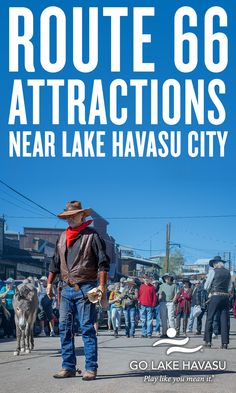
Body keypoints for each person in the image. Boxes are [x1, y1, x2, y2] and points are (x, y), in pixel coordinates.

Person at [46, 200, 110, 380]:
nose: (70, 219)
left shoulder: (92, 235)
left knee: (87, 329)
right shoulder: (61, 237)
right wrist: (50, 283)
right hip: (65, 290)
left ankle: (91, 368)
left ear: (82, 216)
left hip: (87, 288)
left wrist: (102, 287)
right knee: (64, 329)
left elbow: (103, 264)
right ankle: (68, 367)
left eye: (73, 215)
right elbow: (54, 263)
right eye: (67, 216)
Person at [204, 256, 231, 349]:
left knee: (210, 318)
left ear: (215, 263)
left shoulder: (213, 272)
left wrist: (210, 291)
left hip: (215, 296)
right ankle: (225, 343)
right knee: (224, 320)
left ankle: (208, 341)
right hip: (225, 297)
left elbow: (206, 286)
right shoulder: (228, 272)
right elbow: (230, 288)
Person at [158, 273, 177, 337]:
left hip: (170, 303)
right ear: (164, 279)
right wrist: (159, 296)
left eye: (168, 277)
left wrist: (174, 299)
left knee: (171, 318)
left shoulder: (174, 285)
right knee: (163, 318)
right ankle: (164, 333)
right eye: (166, 277)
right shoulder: (162, 286)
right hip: (163, 303)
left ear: (171, 278)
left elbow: (176, 293)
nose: (167, 278)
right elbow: (160, 293)